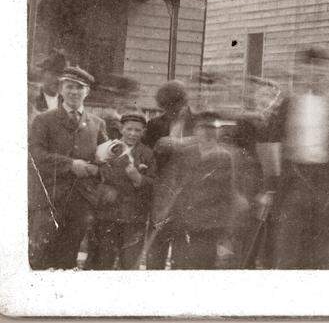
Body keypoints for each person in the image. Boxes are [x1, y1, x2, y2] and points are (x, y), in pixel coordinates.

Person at [258, 47, 329, 269]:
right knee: (287, 254)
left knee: (322, 257)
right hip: (294, 187)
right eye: (309, 68)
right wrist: (268, 189)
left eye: (321, 68)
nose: (315, 74)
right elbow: (270, 147)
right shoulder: (287, 105)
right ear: (301, 71)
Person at [29, 66, 108, 269]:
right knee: (40, 259)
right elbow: (35, 156)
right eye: (69, 86)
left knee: (67, 259)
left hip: (80, 203)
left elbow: (105, 160)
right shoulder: (43, 120)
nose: (74, 92)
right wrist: (70, 164)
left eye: (79, 87)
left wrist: (95, 169)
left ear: (87, 92)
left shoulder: (97, 124)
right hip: (49, 201)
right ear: (61, 89)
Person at [162, 111, 243, 269]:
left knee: (203, 264)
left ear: (218, 132)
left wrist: (225, 230)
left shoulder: (225, 157)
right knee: (180, 264)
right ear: (195, 131)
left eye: (212, 129)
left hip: (208, 224)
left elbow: (228, 192)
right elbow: (175, 185)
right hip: (184, 221)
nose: (207, 132)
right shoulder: (185, 153)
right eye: (202, 128)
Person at [88, 109, 155, 270]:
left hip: (133, 218)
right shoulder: (107, 148)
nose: (132, 133)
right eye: (129, 129)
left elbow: (153, 183)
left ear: (143, 132)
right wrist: (105, 187)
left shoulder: (147, 153)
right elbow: (94, 176)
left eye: (137, 130)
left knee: (130, 262)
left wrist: (137, 177)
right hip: (107, 215)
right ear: (121, 128)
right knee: (102, 261)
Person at [143, 79, 194, 270]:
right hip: (162, 192)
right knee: (156, 246)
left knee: (183, 253)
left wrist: (181, 143)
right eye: (166, 108)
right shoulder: (155, 124)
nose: (171, 112)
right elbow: (146, 155)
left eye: (175, 107)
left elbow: (210, 142)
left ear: (184, 102)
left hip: (189, 192)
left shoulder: (198, 122)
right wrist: (157, 148)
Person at [29, 49, 67, 119]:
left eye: (61, 75)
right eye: (53, 74)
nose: (58, 79)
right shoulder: (31, 101)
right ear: (42, 74)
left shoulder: (66, 103)